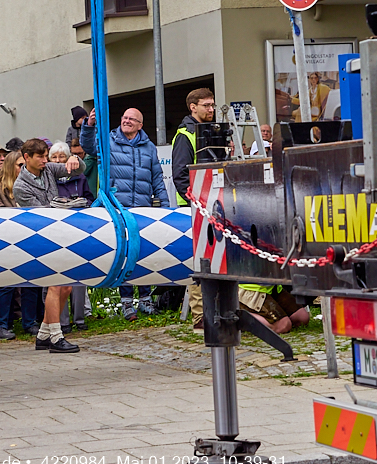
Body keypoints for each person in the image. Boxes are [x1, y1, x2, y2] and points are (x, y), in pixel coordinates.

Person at [80, 108, 169, 320]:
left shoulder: (148, 147)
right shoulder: (108, 142)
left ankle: (146, 299)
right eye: (125, 118)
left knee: (144, 253)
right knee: (125, 255)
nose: (127, 121)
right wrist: (90, 125)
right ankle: (127, 302)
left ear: (140, 125)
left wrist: (165, 206)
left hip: (142, 208)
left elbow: (157, 177)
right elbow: (88, 146)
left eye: (132, 119)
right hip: (119, 208)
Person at [13, 138, 84, 352]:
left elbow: (80, 170)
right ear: (27, 158)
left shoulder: (49, 170)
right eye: (40, 157)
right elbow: (41, 215)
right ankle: (56, 336)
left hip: (58, 234)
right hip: (39, 239)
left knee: (67, 285)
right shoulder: (21, 186)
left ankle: (44, 334)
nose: (45, 160)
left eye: (46, 156)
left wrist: (75, 161)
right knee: (54, 285)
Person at [170, 88, 228, 330]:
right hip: (193, 207)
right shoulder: (185, 135)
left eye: (213, 105)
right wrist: (195, 202)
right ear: (192, 107)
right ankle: (199, 316)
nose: (211, 109)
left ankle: (215, 311)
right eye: (206, 105)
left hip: (214, 205)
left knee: (213, 259)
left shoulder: (211, 132)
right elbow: (181, 175)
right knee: (199, 260)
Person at [0, 151, 41, 340]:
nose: (23, 169)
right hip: (6, 242)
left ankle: (30, 322)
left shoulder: (31, 187)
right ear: (11, 167)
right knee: (6, 284)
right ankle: (0, 325)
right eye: (20, 165)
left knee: (32, 283)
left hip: (29, 240)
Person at [239, 285, 310, 335]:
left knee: (302, 318)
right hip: (249, 288)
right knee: (283, 326)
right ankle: (237, 314)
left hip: (271, 286)